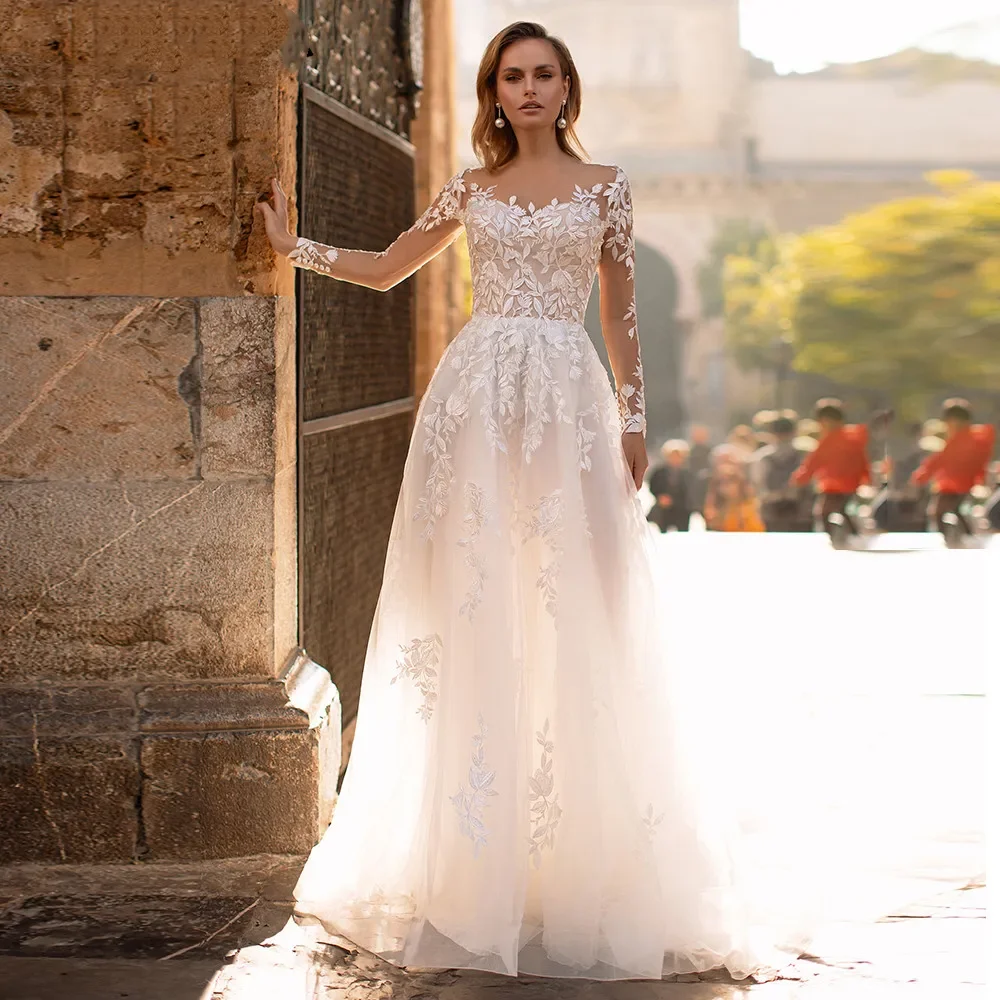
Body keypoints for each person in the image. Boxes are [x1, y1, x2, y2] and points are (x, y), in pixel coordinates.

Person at [255, 20, 799, 982]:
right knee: (472, 607)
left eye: (546, 74)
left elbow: (623, 313)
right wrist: (289, 245)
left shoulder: (606, 188)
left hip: (571, 404)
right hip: (474, 406)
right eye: (515, 76)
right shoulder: (472, 188)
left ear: (567, 87)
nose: (531, 89)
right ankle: (473, 859)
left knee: (581, 606)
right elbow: (387, 269)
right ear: (494, 92)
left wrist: (635, 420)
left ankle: (586, 858)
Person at [911, 399, 996, 537]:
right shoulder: (965, 438)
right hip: (955, 483)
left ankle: (956, 538)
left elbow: (941, 460)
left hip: (956, 484)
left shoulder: (967, 439)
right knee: (954, 510)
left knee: (939, 512)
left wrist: (922, 475)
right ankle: (965, 537)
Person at [790, 398, 870, 535]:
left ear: (825, 420)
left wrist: (799, 479)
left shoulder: (830, 440)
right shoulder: (853, 437)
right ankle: (855, 535)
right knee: (842, 510)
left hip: (834, 485)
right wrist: (865, 478)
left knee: (824, 512)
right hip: (851, 484)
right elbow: (862, 461)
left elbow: (813, 462)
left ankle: (837, 538)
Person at [749, 416, 811, 531]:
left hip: (773, 509)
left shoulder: (762, 457)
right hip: (800, 509)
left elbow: (758, 484)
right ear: (794, 432)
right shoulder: (805, 454)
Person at [646, 440, 692, 532]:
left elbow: (691, 490)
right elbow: (653, 485)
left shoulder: (687, 473)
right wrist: (660, 497)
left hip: (681, 509)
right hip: (664, 509)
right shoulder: (659, 472)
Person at [703, 464, 765, 532]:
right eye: (721, 482)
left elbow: (756, 529)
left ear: (740, 483)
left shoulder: (753, 504)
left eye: (730, 481)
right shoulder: (713, 506)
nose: (726, 486)